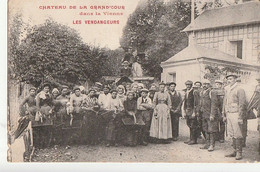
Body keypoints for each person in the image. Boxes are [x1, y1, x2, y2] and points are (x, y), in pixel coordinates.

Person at [223, 74, 247, 160]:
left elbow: (242, 104)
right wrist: (224, 114)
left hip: (236, 113)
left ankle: (239, 152)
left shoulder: (239, 89)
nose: (229, 80)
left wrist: (240, 117)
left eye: (231, 79)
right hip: (229, 113)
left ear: (235, 80)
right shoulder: (227, 89)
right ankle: (234, 151)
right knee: (232, 133)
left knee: (238, 134)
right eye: (228, 79)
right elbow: (225, 102)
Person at [199, 80, 218, 152]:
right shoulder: (202, 92)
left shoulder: (212, 92)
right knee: (205, 129)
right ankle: (207, 144)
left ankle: (211, 145)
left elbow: (214, 104)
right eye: (204, 84)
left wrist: (212, 114)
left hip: (210, 114)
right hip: (204, 114)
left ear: (209, 85)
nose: (205, 85)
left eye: (206, 84)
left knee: (211, 130)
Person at [35, 83, 54, 148]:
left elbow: (52, 103)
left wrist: (51, 109)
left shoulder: (50, 95)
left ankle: (48, 144)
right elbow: (37, 104)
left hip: (48, 110)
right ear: (43, 88)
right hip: (42, 110)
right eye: (45, 88)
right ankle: (41, 145)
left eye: (48, 88)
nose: (47, 89)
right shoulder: (39, 95)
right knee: (41, 128)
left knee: (48, 128)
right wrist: (39, 112)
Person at [183, 80, 200, 145]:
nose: (188, 86)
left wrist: (194, 112)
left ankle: (194, 140)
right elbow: (185, 102)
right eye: (187, 85)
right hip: (188, 110)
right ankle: (191, 138)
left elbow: (196, 103)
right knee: (189, 124)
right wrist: (184, 110)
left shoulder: (194, 92)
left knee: (193, 125)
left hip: (192, 110)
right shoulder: (186, 92)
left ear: (191, 85)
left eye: (189, 85)